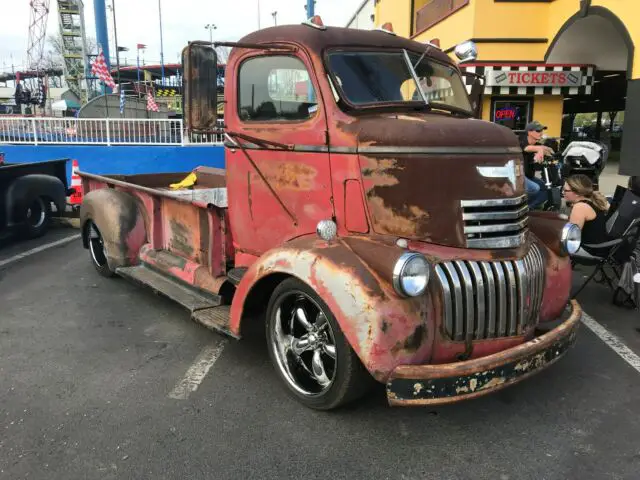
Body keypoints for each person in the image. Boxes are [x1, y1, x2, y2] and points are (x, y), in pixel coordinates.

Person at [563, 174, 614, 257]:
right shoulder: (591, 200)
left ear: (577, 193)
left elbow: (571, 238)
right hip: (602, 246)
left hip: (591, 250)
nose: (563, 193)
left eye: (565, 190)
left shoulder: (580, 207)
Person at [519, 120, 554, 209]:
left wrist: (545, 149)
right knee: (535, 188)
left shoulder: (537, 144)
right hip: (518, 176)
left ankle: (529, 208)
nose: (541, 133)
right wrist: (540, 150)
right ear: (529, 132)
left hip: (528, 175)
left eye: (542, 130)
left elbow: (548, 150)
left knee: (546, 189)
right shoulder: (521, 139)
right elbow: (526, 148)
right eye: (538, 131)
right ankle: (518, 206)